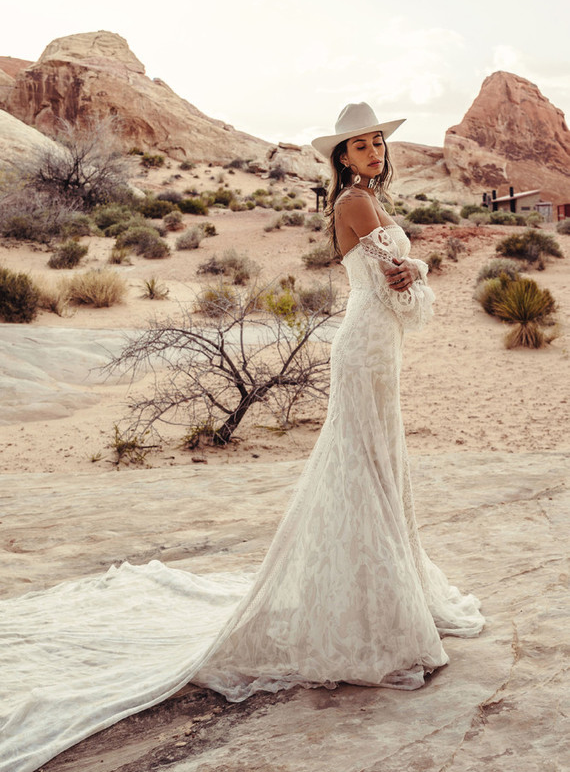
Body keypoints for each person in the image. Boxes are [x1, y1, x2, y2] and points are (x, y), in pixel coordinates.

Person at [0, 103, 484, 772]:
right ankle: (377, 614)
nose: (373, 151)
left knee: (375, 462)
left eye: (377, 143)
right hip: (368, 345)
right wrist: (417, 272)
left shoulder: (368, 198)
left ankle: (384, 592)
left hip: (378, 345)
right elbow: (395, 284)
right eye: (361, 145)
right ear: (342, 156)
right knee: (362, 465)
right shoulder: (357, 204)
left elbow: (402, 282)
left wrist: (414, 274)